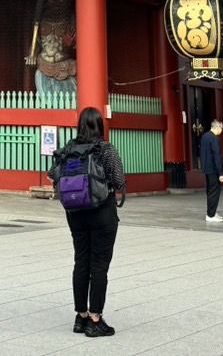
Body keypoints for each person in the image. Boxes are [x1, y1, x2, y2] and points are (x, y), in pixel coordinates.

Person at [53, 107, 126, 338]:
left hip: (75, 213)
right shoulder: (106, 149)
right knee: (99, 265)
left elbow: (53, 175)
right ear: (99, 125)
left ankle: (80, 316)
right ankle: (96, 318)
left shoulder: (68, 149)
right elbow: (119, 180)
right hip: (102, 212)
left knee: (81, 262)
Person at [199, 120, 223, 224]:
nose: (221, 131)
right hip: (214, 170)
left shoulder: (205, 136)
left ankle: (212, 212)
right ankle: (210, 215)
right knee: (214, 192)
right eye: (221, 128)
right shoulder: (214, 138)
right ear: (217, 127)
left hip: (207, 169)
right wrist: (221, 173)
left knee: (210, 191)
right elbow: (217, 156)